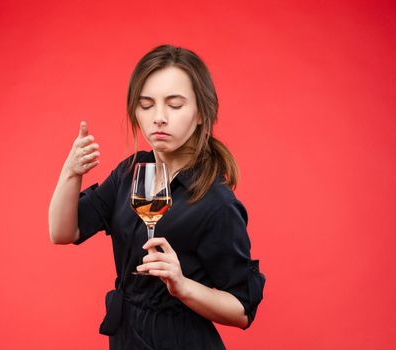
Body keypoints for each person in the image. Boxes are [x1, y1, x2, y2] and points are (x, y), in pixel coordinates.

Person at [48, 44, 265, 349]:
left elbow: (242, 310)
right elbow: (62, 232)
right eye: (146, 104)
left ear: (202, 113)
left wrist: (182, 285)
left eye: (175, 105)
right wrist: (70, 173)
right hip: (126, 337)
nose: (158, 118)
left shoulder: (217, 203)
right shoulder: (130, 173)